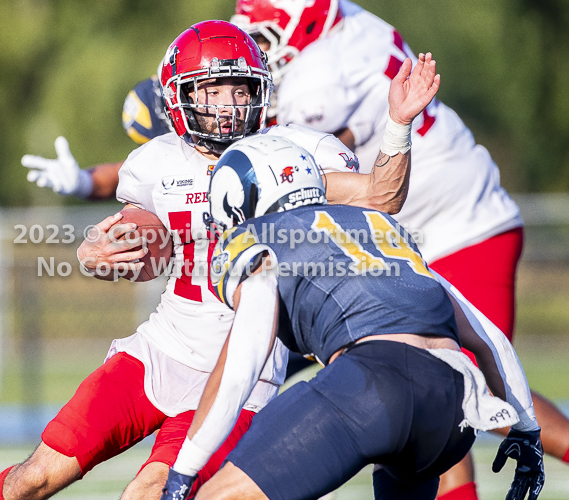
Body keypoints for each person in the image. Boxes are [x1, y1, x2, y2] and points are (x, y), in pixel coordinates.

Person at [0, 20, 440, 500]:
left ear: (259, 92)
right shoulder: (156, 162)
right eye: (212, 90)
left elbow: (381, 197)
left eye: (238, 90)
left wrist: (399, 126)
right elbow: (134, 233)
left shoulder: (295, 150)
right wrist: (92, 248)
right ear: (180, 97)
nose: (227, 105)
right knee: (31, 479)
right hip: (160, 351)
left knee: (149, 490)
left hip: (243, 370)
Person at [230, 1, 569, 497]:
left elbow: (299, 164)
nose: (258, 48)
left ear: (304, 22)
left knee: (455, 381)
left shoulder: (318, 74)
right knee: (439, 389)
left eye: (264, 35)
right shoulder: (354, 25)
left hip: (455, 224)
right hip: (430, 222)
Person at [160, 134, 545, 500]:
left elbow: (244, 357)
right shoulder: (380, 227)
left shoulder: (258, 237)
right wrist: (528, 433)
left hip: (371, 387)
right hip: (453, 404)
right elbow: (487, 336)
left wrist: (185, 470)